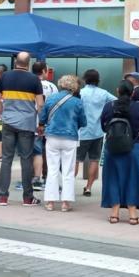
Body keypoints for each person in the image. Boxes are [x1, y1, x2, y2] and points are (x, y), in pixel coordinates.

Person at [0, 52, 43, 206]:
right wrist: (33, 117)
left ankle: (3, 197)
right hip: (26, 124)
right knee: (26, 159)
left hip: (8, 122)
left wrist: (3, 112)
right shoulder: (34, 80)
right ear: (28, 63)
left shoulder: (5, 77)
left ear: (16, 62)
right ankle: (27, 198)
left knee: (6, 159)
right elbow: (40, 104)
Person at [101, 80, 139, 224]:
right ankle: (133, 215)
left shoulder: (108, 106)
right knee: (133, 178)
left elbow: (103, 126)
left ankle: (114, 213)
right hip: (135, 147)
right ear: (133, 92)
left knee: (112, 177)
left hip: (112, 147)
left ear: (117, 91)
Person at [39, 75, 86, 212]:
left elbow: (42, 117)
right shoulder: (77, 102)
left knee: (52, 170)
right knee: (68, 171)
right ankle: (66, 203)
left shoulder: (51, 98)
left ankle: (50, 202)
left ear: (60, 85)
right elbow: (83, 122)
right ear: (74, 87)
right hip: (70, 138)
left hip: (52, 136)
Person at [75, 69, 116, 197]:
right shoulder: (104, 93)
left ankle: (69, 185)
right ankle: (88, 187)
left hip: (81, 132)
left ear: (84, 79)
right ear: (98, 80)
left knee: (75, 160)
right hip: (98, 132)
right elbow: (116, 101)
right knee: (94, 160)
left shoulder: (80, 93)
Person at [31, 61, 58, 191]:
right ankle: (48, 177)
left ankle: (35, 178)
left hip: (33, 122)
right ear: (43, 71)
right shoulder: (52, 87)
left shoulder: (29, 83)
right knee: (48, 152)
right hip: (49, 123)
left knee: (35, 152)